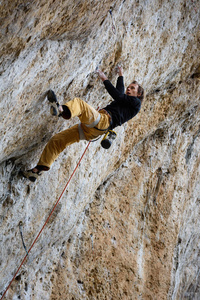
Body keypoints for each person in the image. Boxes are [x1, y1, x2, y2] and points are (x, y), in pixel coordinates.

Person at [22, 66, 144, 182]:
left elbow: (118, 95)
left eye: (133, 88)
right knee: (58, 140)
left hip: (103, 121)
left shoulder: (136, 103)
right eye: (129, 87)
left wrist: (103, 77)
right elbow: (120, 92)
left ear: (138, 94)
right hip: (93, 131)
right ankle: (37, 170)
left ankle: (61, 110)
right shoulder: (127, 103)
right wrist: (120, 75)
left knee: (79, 104)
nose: (129, 89)